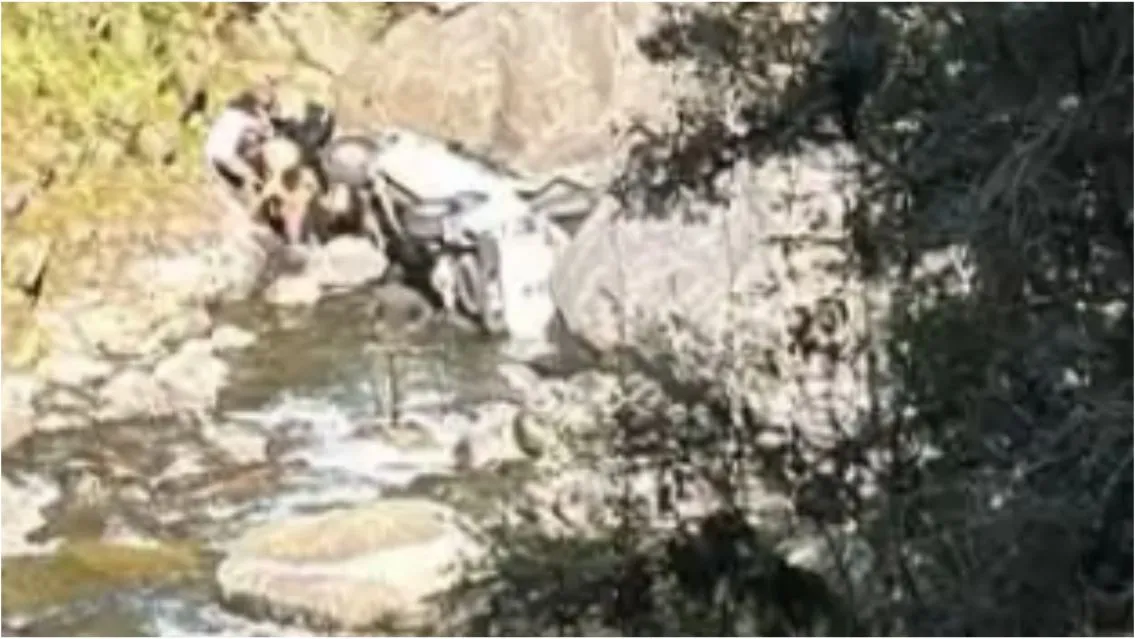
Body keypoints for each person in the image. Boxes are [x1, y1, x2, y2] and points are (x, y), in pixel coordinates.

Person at [204, 80, 278, 199]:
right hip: (227, 160)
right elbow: (268, 133)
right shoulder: (247, 120)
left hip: (209, 156)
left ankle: (251, 182)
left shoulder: (228, 112)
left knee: (251, 143)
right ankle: (256, 182)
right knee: (258, 146)